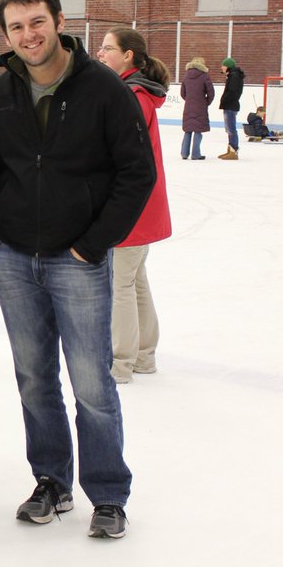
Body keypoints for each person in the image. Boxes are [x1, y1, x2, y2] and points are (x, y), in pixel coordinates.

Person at [0, 0, 155, 539]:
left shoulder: (103, 89)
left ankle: (107, 493)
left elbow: (136, 173)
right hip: (13, 257)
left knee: (91, 381)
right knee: (34, 379)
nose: (28, 35)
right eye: (16, 27)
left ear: (59, 22)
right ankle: (51, 480)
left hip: (78, 259)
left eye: (37, 23)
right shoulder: (1, 95)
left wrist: (92, 243)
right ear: (6, 34)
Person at [96, 28, 172, 385]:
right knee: (135, 280)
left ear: (128, 56)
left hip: (133, 206)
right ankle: (144, 355)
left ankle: (120, 362)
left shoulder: (133, 96)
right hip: (142, 204)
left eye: (108, 48)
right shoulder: (135, 92)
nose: (100, 53)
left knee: (120, 283)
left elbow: (118, 154)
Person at [180, 57, 213, 160]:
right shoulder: (204, 76)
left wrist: (189, 100)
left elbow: (182, 93)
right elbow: (211, 92)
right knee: (198, 130)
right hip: (200, 107)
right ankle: (196, 154)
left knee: (188, 130)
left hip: (188, 106)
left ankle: (184, 153)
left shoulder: (186, 76)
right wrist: (206, 102)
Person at [218, 57, 245, 161]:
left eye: (223, 65)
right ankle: (230, 150)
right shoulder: (232, 75)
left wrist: (224, 99)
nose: (222, 67)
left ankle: (233, 151)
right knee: (229, 129)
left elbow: (232, 91)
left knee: (231, 128)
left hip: (230, 105)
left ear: (228, 66)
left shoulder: (234, 76)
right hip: (230, 105)